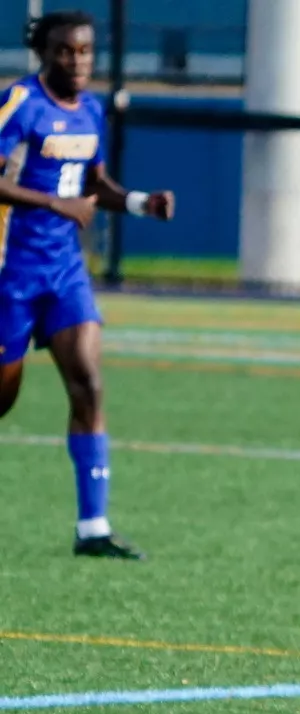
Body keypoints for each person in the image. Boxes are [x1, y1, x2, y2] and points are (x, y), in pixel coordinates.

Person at [0, 11, 175, 560]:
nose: (77, 61)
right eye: (64, 51)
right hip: (9, 273)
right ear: (43, 53)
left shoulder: (91, 111)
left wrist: (141, 203)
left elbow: (94, 184)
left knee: (89, 385)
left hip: (63, 273)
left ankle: (93, 528)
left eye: (85, 51)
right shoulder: (21, 103)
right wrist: (55, 203)